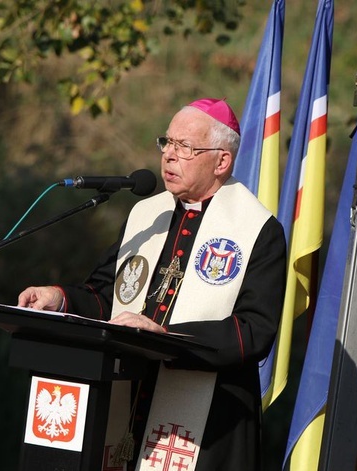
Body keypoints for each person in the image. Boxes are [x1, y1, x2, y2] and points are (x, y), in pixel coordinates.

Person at [18, 98, 286, 471]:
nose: (169, 157)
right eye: (168, 143)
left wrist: (165, 336)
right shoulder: (147, 215)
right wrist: (59, 298)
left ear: (222, 162)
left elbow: (253, 331)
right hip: (127, 398)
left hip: (209, 423)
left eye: (185, 148)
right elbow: (105, 296)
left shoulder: (257, 230)